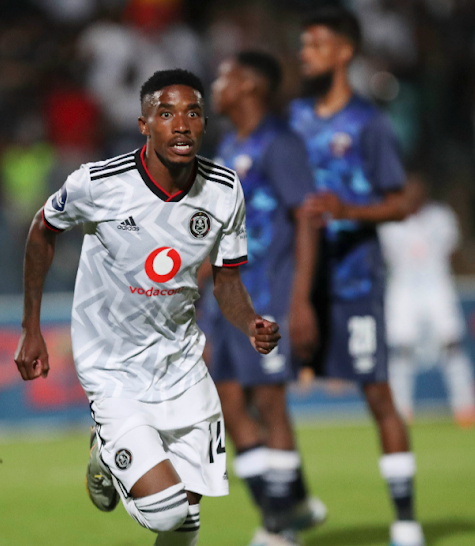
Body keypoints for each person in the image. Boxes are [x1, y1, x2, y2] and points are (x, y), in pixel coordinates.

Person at [14, 69, 281, 546]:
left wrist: (251, 322)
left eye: (192, 113)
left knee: (187, 524)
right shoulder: (99, 183)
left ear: (204, 123)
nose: (181, 124)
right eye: (166, 113)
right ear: (144, 124)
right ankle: (104, 449)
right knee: (164, 512)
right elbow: (41, 228)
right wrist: (30, 326)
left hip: (181, 366)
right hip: (112, 367)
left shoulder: (224, 191)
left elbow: (227, 282)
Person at [290, 9, 425, 546]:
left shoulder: (368, 124)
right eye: (303, 45)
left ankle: (407, 520)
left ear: (344, 52)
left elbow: (400, 203)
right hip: (294, 281)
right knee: (261, 394)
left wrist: (347, 209)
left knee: (377, 395)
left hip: (353, 281)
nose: (305, 54)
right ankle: (287, 512)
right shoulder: (293, 119)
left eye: (316, 45)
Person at [207, 51, 325, 546]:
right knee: (228, 405)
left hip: (267, 294)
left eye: (224, 76)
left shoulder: (281, 144)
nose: (216, 85)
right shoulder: (225, 147)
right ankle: (289, 507)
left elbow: (308, 218)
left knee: (271, 404)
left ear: (250, 86)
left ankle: (280, 528)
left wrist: (300, 301)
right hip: (221, 300)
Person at [379, 176, 475, 428]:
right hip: (404, 289)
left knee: (452, 345)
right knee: (401, 350)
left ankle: (465, 407)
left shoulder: (441, 217)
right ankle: (401, 409)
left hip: (437, 287)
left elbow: (453, 250)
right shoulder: (389, 220)